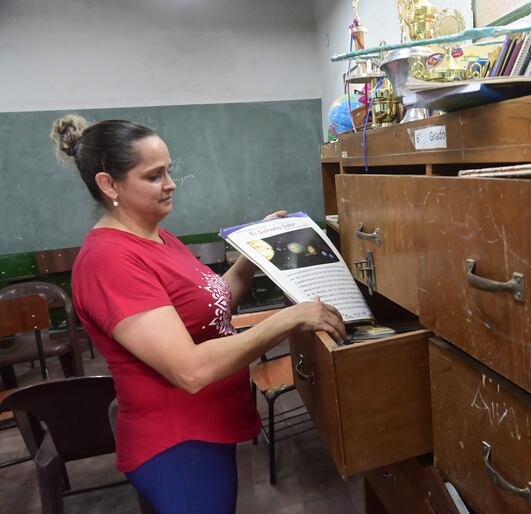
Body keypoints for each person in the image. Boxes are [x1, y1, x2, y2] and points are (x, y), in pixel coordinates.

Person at [50, 115, 346, 514]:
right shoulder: (109, 260)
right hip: (177, 444)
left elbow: (214, 302)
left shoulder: (156, 236)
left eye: (169, 171)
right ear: (109, 184)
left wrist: (258, 250)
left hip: (209, 427)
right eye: (154, 176)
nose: (170, 184)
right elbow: (188, 369)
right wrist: (287, 319)